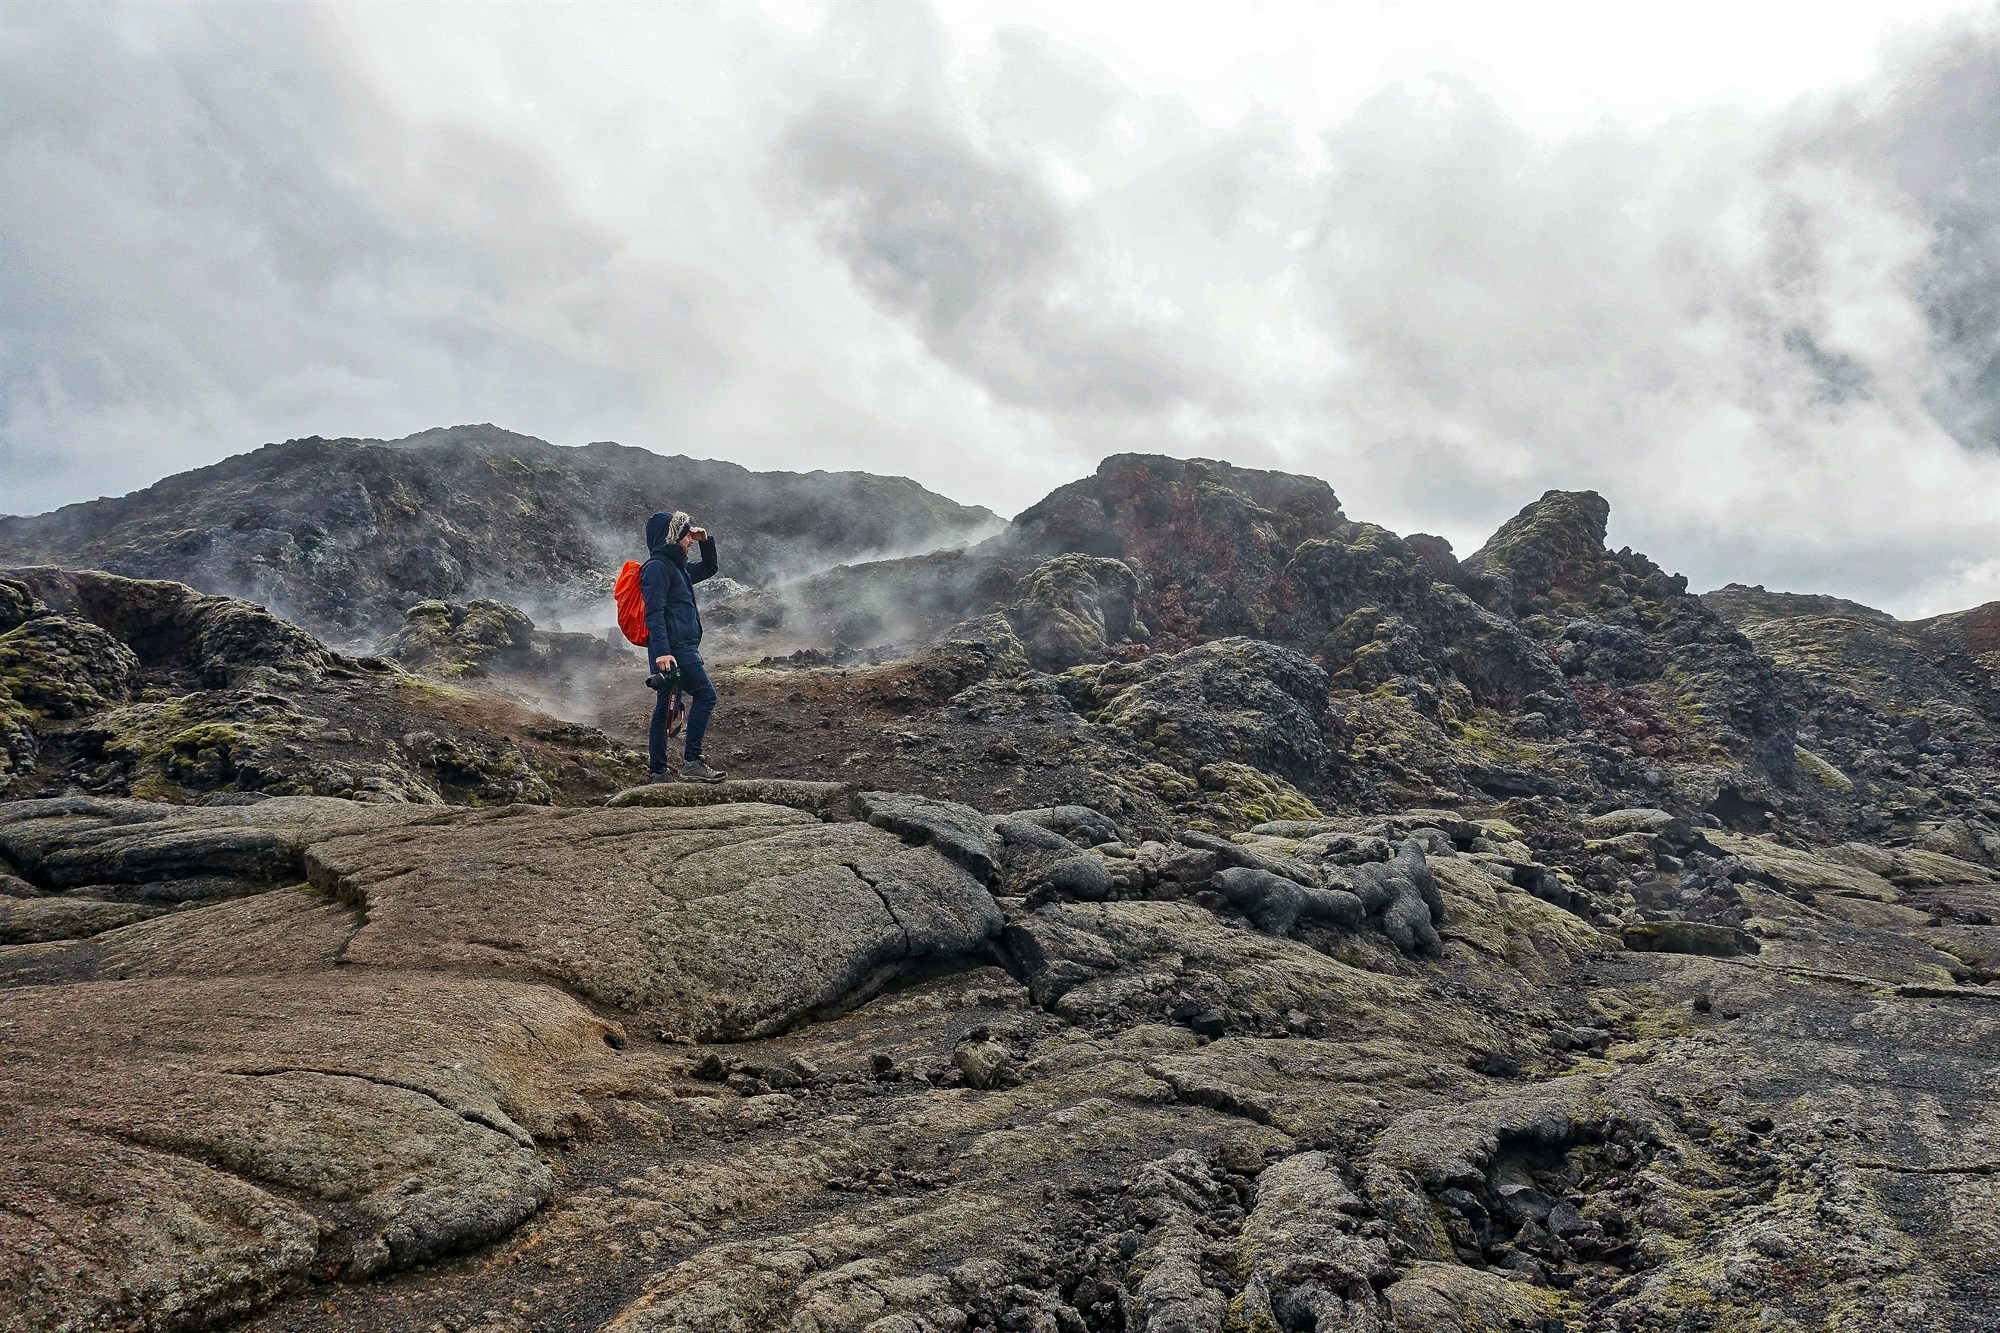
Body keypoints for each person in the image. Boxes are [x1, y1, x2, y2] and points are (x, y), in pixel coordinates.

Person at [640, 510, 725, 782]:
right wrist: (663, 652)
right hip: (674, 649)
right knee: (706, 695)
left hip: (678, 647)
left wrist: (705, 540)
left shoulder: (678, 567)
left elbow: (710, 568)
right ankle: (692, 762)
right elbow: (654, 612)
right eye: (685, 534)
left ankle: (658, 772)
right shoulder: (657, 567)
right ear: (672, 537)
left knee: (666, 707)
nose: (689, 538)